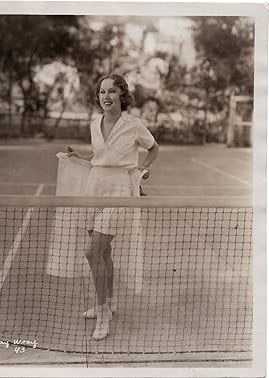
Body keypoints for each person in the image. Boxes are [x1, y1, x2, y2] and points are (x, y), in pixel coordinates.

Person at [66, 73, 159, 341]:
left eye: (112, 91)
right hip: (94, 190)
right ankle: (108, 302)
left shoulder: (134, 124)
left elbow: (154, 149)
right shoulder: (95, 124)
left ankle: (104, 313)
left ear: (122, 95)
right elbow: (99, 158)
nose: (106, 96)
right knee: (103, 253)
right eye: (102, 92)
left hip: (120, 193)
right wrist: (78, 158)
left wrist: (142, 170)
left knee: (91, 252)